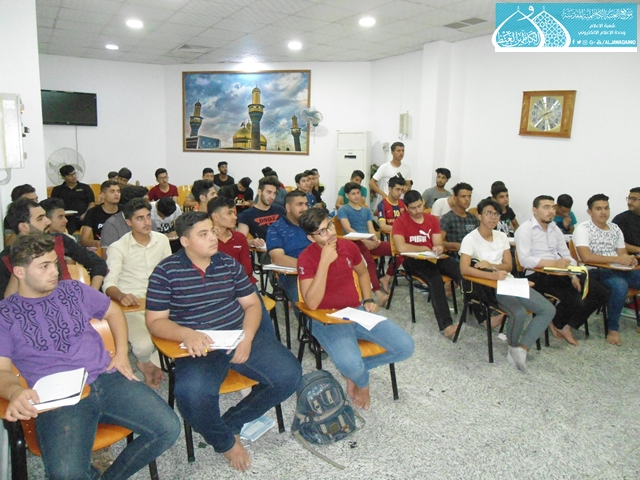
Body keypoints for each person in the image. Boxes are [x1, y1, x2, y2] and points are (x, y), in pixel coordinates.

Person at [0, 234, 180, 479]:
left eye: (55, 263)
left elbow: (114, 312)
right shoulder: (6, 315)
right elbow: (2, 371)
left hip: (106, 378)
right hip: (59, 397)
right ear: (19, 272)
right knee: (65, 474)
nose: (54, 271)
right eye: (44, 266)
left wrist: (121, 355)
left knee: (168, 428)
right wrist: (14, 392)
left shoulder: (73, 289)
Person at [145, 211, 301, 471]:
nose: (213, 238)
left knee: (289, 375)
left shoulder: (227, 263)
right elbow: (155, 321)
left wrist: (247, 338)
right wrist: (186, 334)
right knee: (191, 397)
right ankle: (225, 442)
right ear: (185, 241)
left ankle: (233, 421)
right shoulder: (165, 272)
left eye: (212, 231)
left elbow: (252, 305)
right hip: (200, 346)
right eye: (203, 234)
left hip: (237, 335)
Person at [297, 208, 414, 410]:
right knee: (351, 364)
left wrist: (368, 298)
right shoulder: (306, 258)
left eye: (330, 225)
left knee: (405, 347)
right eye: (322, 231)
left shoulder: (348, 246)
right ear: (310, 238)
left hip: (356, 311)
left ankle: (356, 373)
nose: (330, 233)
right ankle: (362, 383)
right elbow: (312, 303)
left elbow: (363, 273)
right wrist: (324, 262)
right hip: (326, 318)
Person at [459, 198, 555, 371]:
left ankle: (523, 348)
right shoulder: (470, 239)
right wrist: (492, 275)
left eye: (496, 214)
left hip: (507, 281)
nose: (493, 217)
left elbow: (508, 266)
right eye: (488, 213)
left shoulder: (501, 236)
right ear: (479, 216)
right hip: (486, 286)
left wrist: (492, 266)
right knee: (518, 312)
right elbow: (464, 269)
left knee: (547, 309)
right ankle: (513, 346)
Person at [515, 195, 609, 346]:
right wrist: (554, 263)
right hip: (538, 274)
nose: (551, 211)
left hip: (561, 271)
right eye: (546, 207)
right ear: (535, 210)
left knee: (601, 293)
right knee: (576, 300)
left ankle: (566, 325)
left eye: (552, 207)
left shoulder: (554, 229)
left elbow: (566, 255)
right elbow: (525, 260)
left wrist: (573, 275)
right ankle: (558, 322)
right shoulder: (525, 229)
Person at [104, 198, 169, 388]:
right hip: (132, 306)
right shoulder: (118, 247)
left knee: (187, 332)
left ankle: (153, 363)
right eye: (139, 218)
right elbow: (109, 284)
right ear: (128, 222)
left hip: (161, 302)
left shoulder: (162, 240)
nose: (147, 222)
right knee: (143, 345)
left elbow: (170, 271)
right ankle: (145, 363)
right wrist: (121, 296)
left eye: (148, 216)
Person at [1, 198, 108, 297]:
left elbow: (98, 263)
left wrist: (92, 293)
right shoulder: (5, 259)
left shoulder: (59, 239)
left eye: (45, 216)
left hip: (70, 300)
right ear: (24, 227)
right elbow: (6, 303)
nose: (48, 221)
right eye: (40, 219)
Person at [392, 190, 462, 338]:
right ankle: (446, 325)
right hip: (412, 260)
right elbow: (401, 247)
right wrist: (423, 248)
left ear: (423, 202)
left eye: (419, 206)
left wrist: (439, 248)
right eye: (413, 208)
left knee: (460, 270)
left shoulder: (431, 220)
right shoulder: (400, 222)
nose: (417, 211)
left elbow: (437, 242)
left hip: (432, 257)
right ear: (406, 208)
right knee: (435, 279)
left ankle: (481, 314)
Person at [574, 193, 640, 346]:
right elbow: (586, 257)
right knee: (620, 285)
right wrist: (617, 259)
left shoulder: (615, 228)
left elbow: (622, 253)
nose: (603, 212)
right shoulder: (583, 228)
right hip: (594, 270)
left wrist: (629, 259)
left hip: (617, 268)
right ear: (590, 211)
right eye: (598, 209)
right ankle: (613, 329)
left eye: (606, 208)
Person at [209, 196, 276, 338]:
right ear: (215, 216)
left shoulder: (239, 238)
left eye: (234, 213)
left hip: (245, 284)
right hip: (218, 288)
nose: (235, 217)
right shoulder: (207, 241)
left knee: (260, 315)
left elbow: (247, 269)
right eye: (229, 213)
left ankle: (270, 341)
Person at [337, 182, 392, 305]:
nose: (357, 196)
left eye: (358, 193)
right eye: (353, 194)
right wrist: (363, 240)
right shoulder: (343, 209)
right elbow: (348, 228)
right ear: (347, 195)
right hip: (353, 242)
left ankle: (386, 277)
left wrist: (375, 238)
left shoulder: (366, 210)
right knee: (370, 262)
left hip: (368, 240)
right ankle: (378, 294)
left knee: (396, 250)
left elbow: (370, 228)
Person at [266, 190, 311, 310]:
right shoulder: (276, 228)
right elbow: (278, 258)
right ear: (288, 207)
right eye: (299, 204)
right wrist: (308, 267)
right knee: (307, 304)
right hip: (293, 275)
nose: (304, 208)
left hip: (319, 270)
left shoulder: (312, 224)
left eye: (306, 204)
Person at [238, 176, 286, 249]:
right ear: (259, 192)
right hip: (265, 250)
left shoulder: (280, 210)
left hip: (286, 247)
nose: (272, 197)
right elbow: (240, 240)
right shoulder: (246, 215)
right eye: (269, 192)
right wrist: (252, 242)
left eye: (274, 193)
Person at [50, 165, 95, 234]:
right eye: (70, 175)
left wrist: (86, 214)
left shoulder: (85, 188)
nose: (74, 176)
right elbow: (54, 206)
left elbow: (91, 203)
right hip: (67, 218)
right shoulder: (57, 190)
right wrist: (62, 215)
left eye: (74, 174)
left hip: (83, 217)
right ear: (63, 177)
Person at [80, 180, 121, 247]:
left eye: (118, 191)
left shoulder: (126, 211)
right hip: (101, 247)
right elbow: (84, 240)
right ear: (103, 195)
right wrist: (98, 243)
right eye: (112, 191)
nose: (116, 194)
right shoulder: (93, 212)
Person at [440, 182, 478, 254]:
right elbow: (438, 242)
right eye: (463, 196)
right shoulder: (447, 218)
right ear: (455, 198)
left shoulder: (473, 218)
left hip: (473, 254)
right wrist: (454, 245)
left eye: (469, 196)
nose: (467, 199)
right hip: (455, 255)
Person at [612, 187, 640, 254]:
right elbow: (614, 242)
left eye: (634, 199)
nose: (629, 202)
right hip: (630, 258)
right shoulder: (620, 219)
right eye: (629, 198)